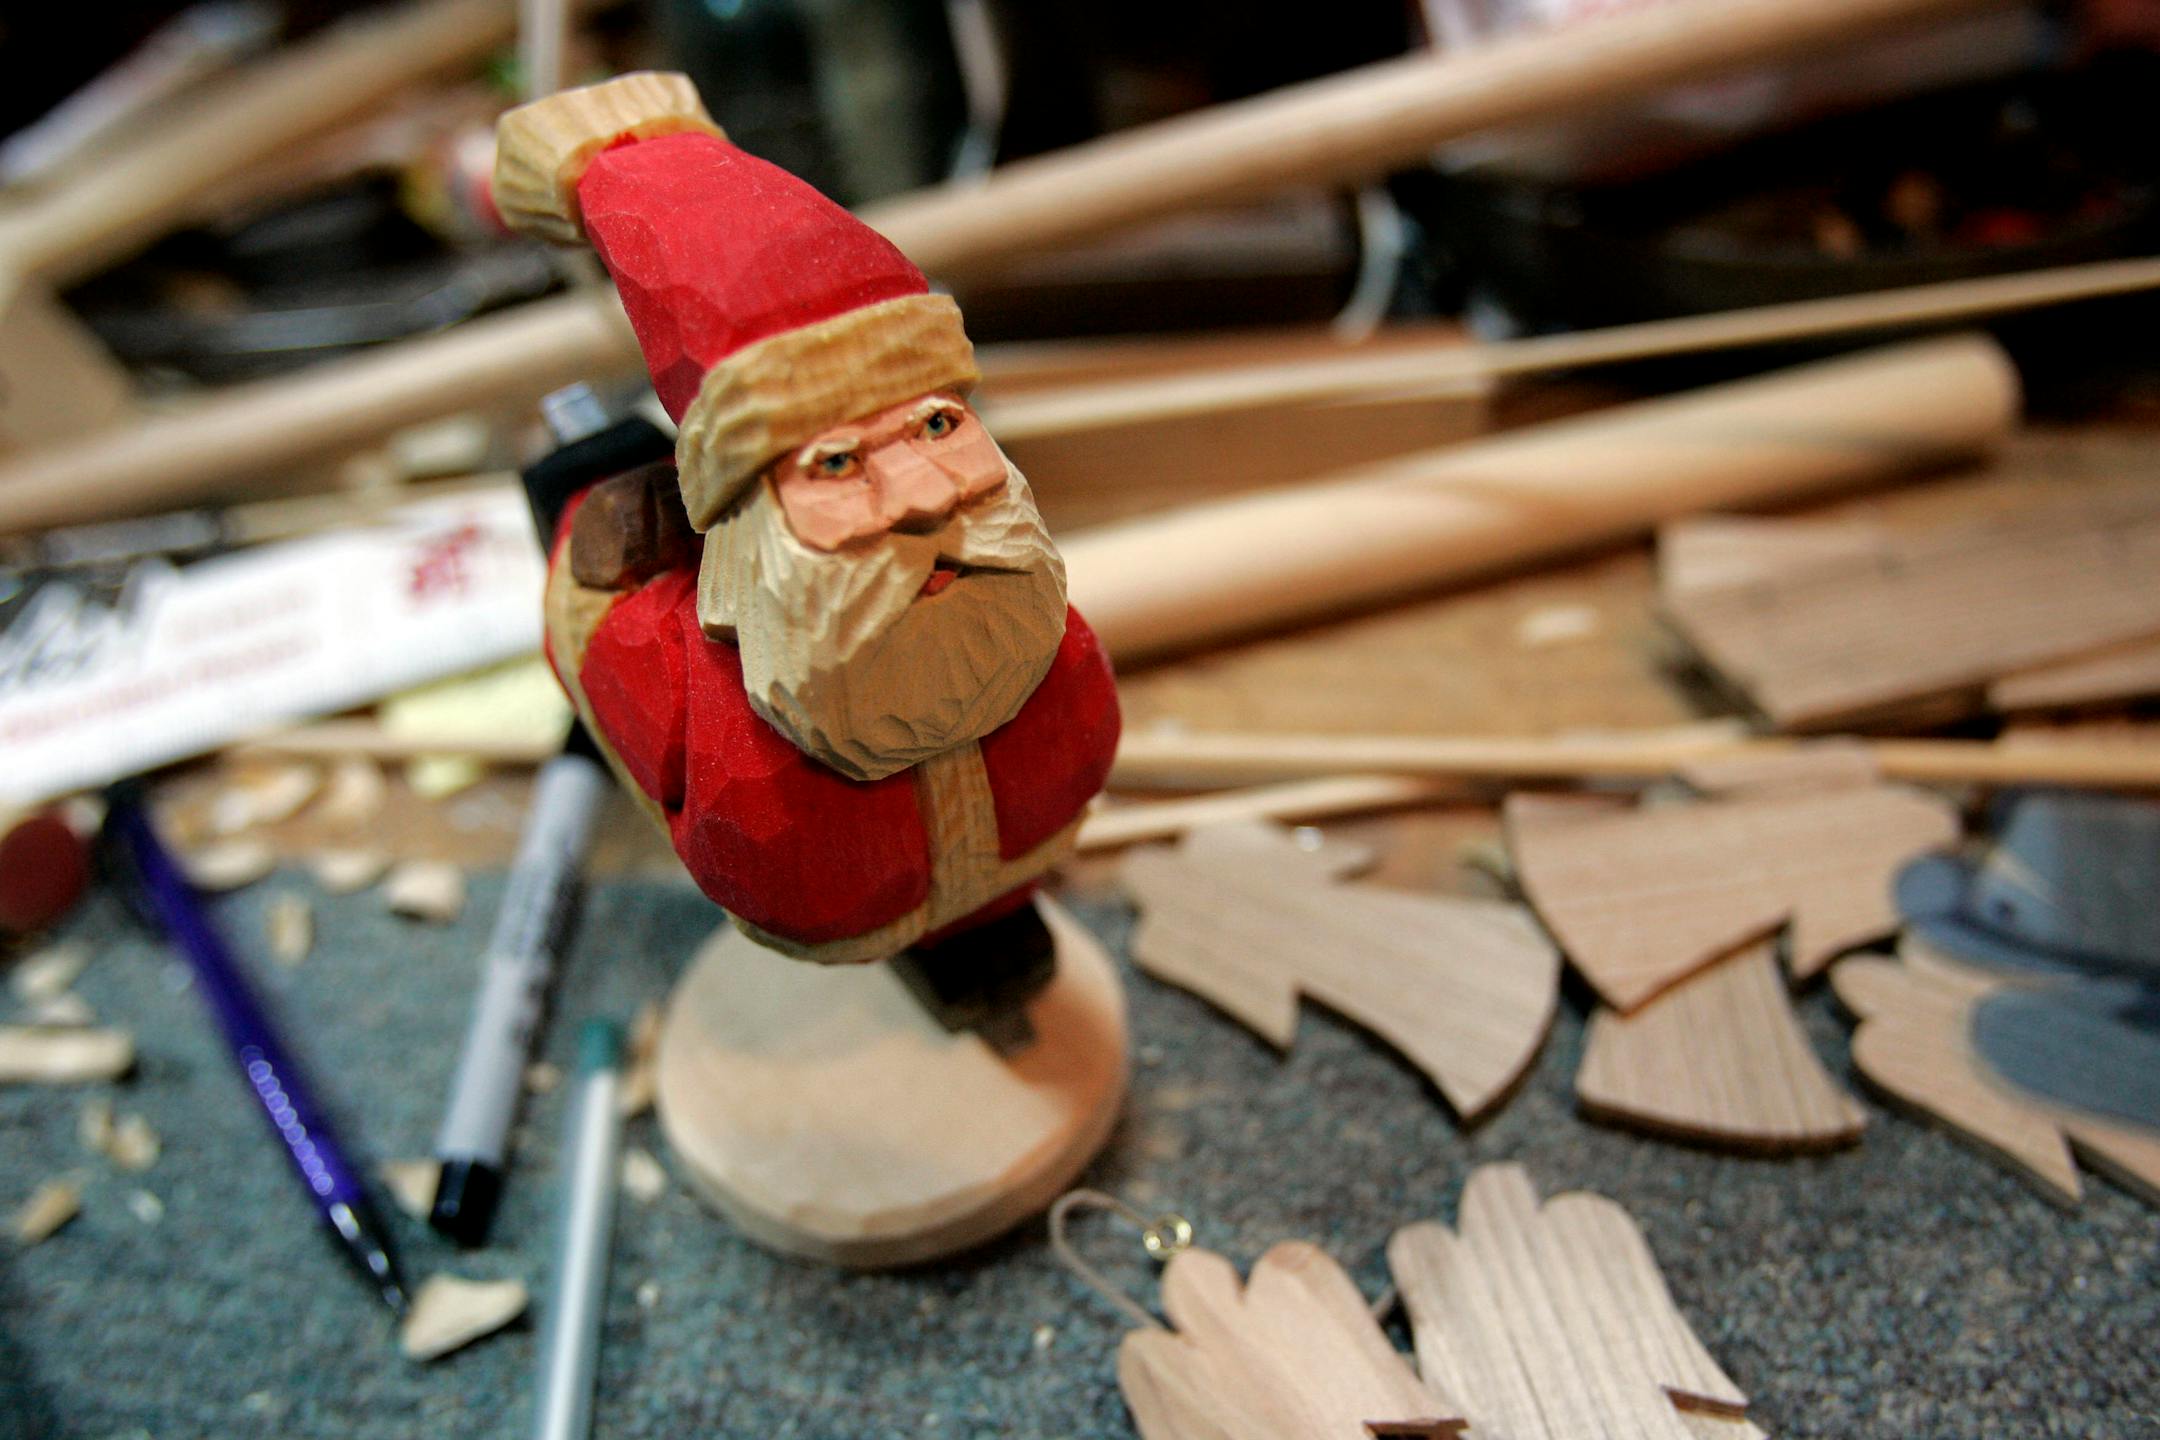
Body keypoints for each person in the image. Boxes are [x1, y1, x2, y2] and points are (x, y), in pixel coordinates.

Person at [495, 72, 1120, 972]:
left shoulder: (1032, 629)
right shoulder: (710, 703)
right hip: (843, 913)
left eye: (936, 427)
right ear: (747, 536)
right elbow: (600, 641)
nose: (923, 495)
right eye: (837, 464)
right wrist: (594, 550)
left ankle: (981, 934)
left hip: (1011, 866)